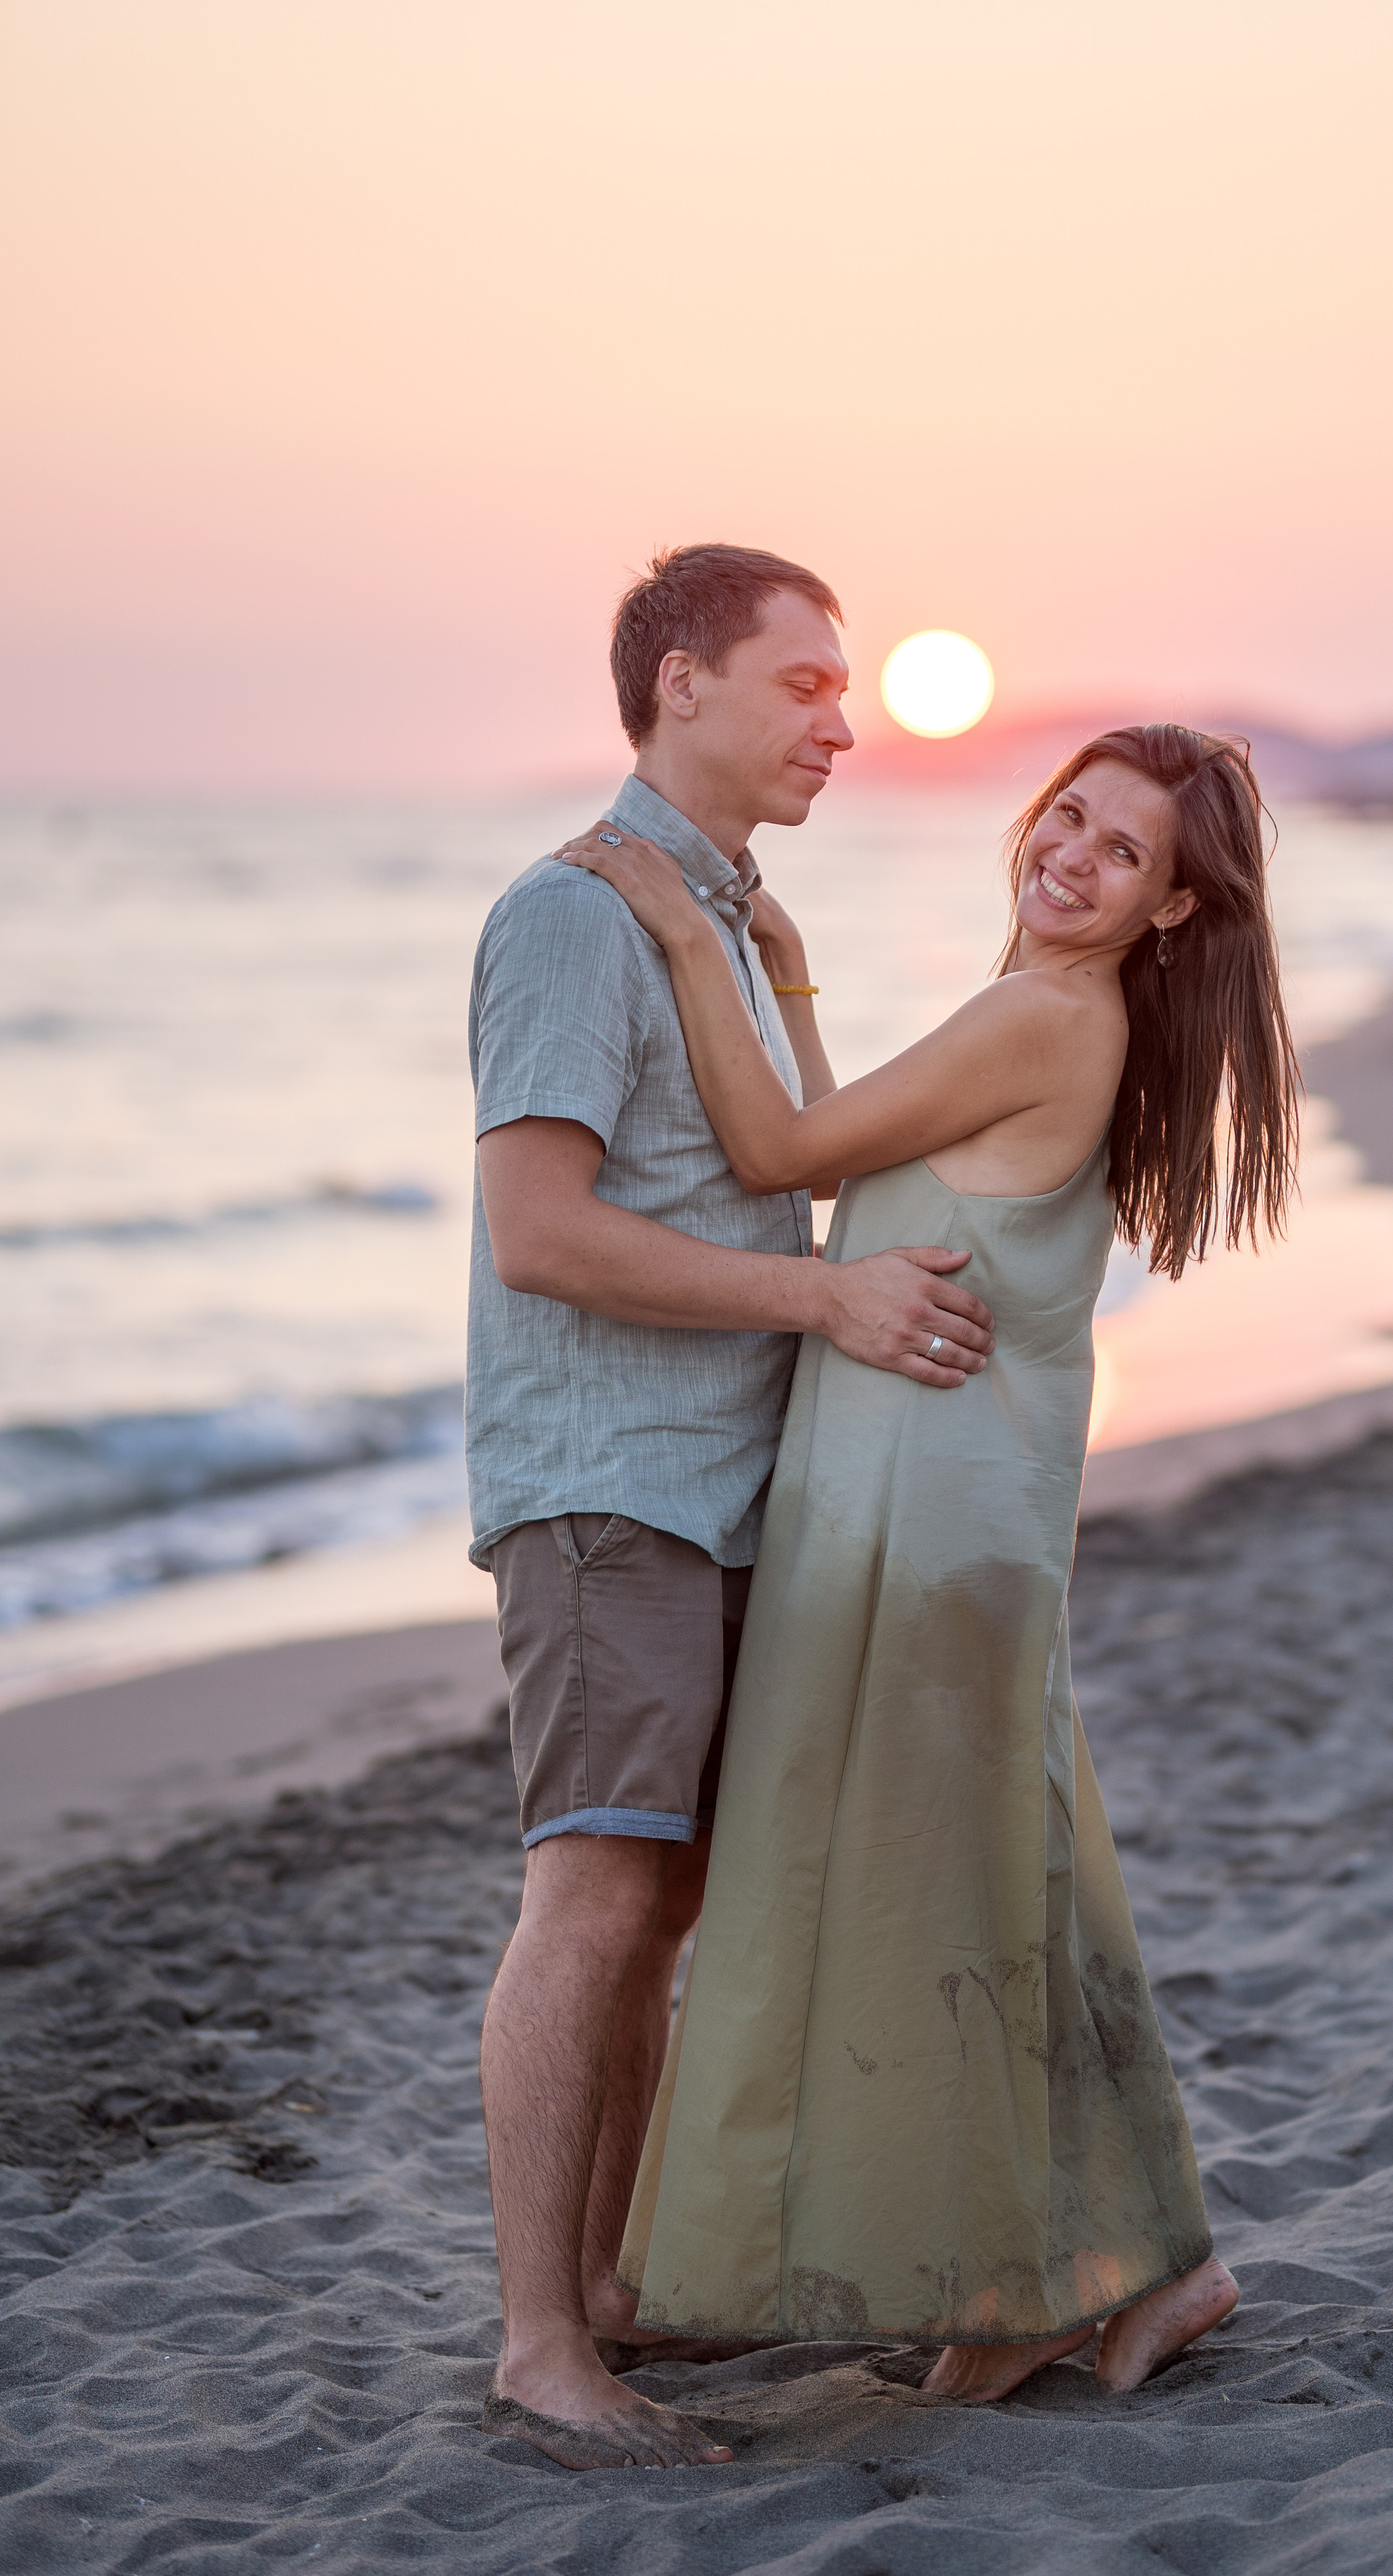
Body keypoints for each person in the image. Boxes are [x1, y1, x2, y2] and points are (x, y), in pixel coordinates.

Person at [560, 718, 1298, 2421]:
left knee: (948, 1902)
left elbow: (765, 1162)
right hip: (948, 1510)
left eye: (1121, 853)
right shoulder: (1043, 1011)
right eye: (1068, 814)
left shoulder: (1039, 1015)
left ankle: (1069, 2278)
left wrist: (685, 931)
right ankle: (1150, 2266)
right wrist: (791, 969)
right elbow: (848, 1164)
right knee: (1011, 1884)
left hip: (925, 1522)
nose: (1070, 853)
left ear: (1173, 908)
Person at [468, 543, 998, 2474]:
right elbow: (540, 1235)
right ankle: (542, 2342)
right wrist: (826, 1299)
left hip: (730, 1484)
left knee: (668, 1902)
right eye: (800, 685)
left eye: (848, 690)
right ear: (679, 683)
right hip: (609, 1484)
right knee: (595, 1892)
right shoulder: (571, 919)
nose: (840, 723)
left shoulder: (732, 922)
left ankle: (608, 2287)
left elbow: (793, 1172)